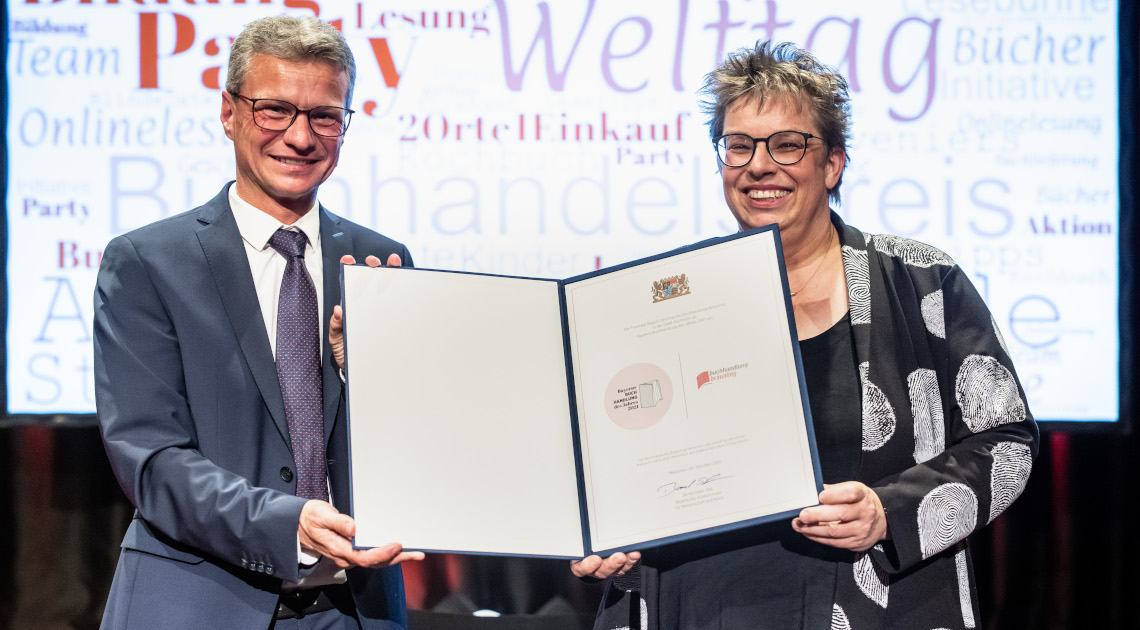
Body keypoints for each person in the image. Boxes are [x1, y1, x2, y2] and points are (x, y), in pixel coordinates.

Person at [572, 41, 1040, 630]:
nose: (758, 166)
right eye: (738, 146)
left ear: (833, 164)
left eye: (787, 145)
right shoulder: (660, 299)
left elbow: (1006, 444)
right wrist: (605, 536)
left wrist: (886, 512)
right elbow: (616, 464)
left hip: (871, 605)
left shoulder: (922, 283)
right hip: (693, 603)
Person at [94, 16, 421, 629]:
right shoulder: (147, 263)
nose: (301, 137)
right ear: (229, 113)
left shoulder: (382, 263)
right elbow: (152, 459)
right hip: (199, 604)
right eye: (275, 110)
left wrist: (365, 375)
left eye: (325, 115)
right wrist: (285, 524)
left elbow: (412, 451)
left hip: (352, 610)